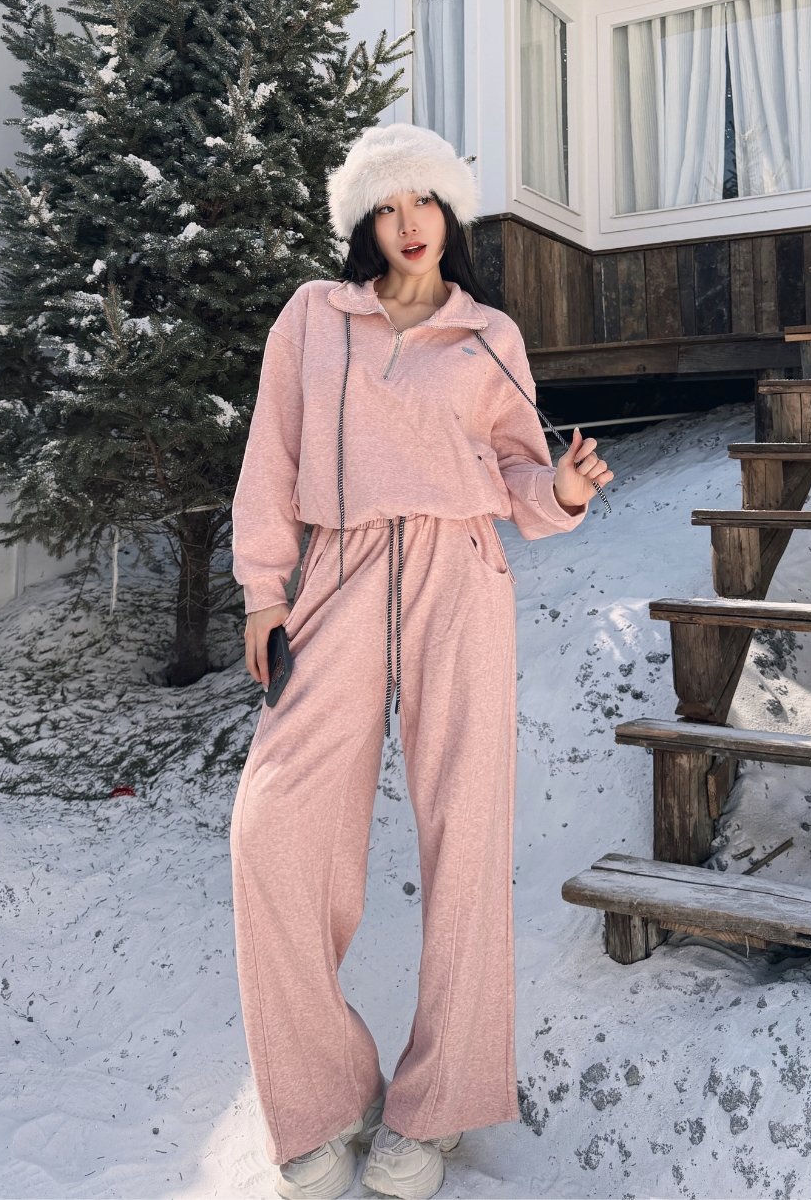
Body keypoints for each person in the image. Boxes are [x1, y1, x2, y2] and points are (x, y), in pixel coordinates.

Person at [229, 123, 613, 1200]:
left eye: (426, 202)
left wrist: (563, 492)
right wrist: (265, 589)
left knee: (464, 834)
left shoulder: (488, 335)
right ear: (366, 220)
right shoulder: (314, 316)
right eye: (389, 206)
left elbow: (521, 474)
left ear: (450, 215)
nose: (409, 224)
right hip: (340, 574)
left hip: (459, 575)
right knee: (271, 831)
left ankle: (437, 1104)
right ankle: (322, 1093)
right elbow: (271, 454)